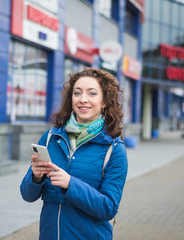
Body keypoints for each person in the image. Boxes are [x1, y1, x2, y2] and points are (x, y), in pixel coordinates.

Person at [20, 67, 128, 239]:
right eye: (77, 93)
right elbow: (27, 195)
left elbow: (108, 208)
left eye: (92, 93)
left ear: (105, 101)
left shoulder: (114, 150)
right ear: (71, 99)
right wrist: (35, 177)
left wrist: (70, 184)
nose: (83, 99)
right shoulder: (50, 138)